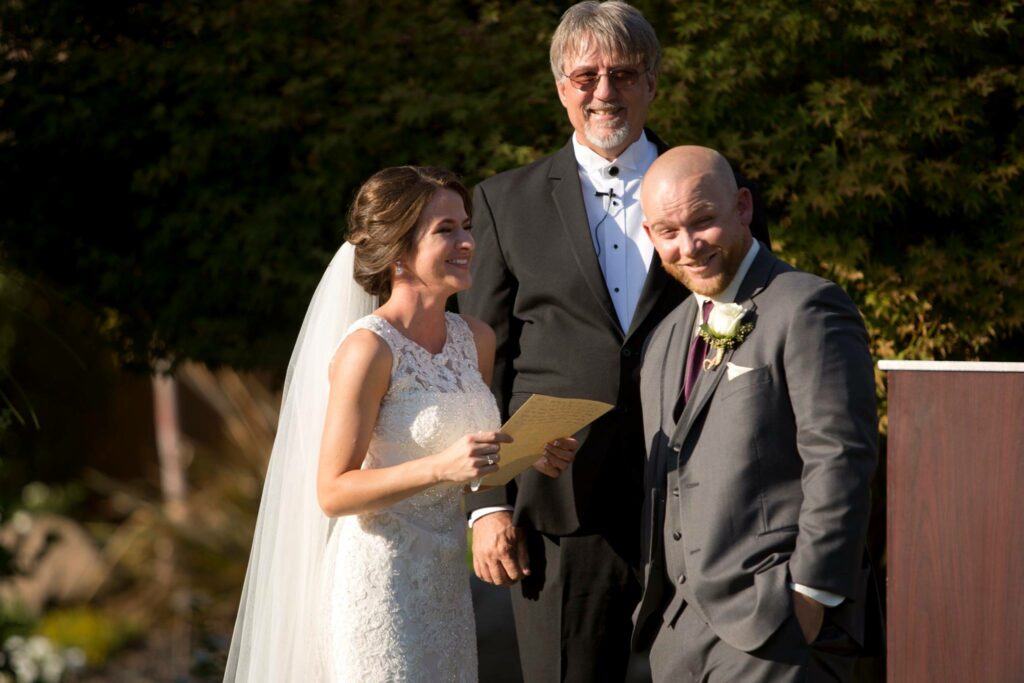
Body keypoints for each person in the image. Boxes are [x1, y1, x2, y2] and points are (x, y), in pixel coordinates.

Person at [457, 2, 770, 681]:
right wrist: (485, 501)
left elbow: (757, 324)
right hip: (561, 505)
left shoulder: (716, 184)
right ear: (560, 86)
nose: (604, 92)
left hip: (701, 495)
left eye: (623, 74)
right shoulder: (501, 202)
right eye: (586, 75)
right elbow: (481, 365)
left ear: (652, 81)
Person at [223, 166, 577, 682]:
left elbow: (470, 457)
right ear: (398, 253)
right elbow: (334, 491)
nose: (467, 242)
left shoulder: (474, 338)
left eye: (466, 226)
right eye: (446, 231)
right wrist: (440, 467)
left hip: (444, 589)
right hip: (378, 586)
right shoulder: (368, 349)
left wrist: (527, 453)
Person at [633, 146, 882, 681]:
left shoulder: (809, 306)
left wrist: (810, 593)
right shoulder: (664, 338)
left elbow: (840, 455)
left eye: (703, 222)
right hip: (677, 637)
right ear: (651, 235)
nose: (689, 247)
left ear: (742, 208)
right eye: (668, 232)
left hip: (777, 625)